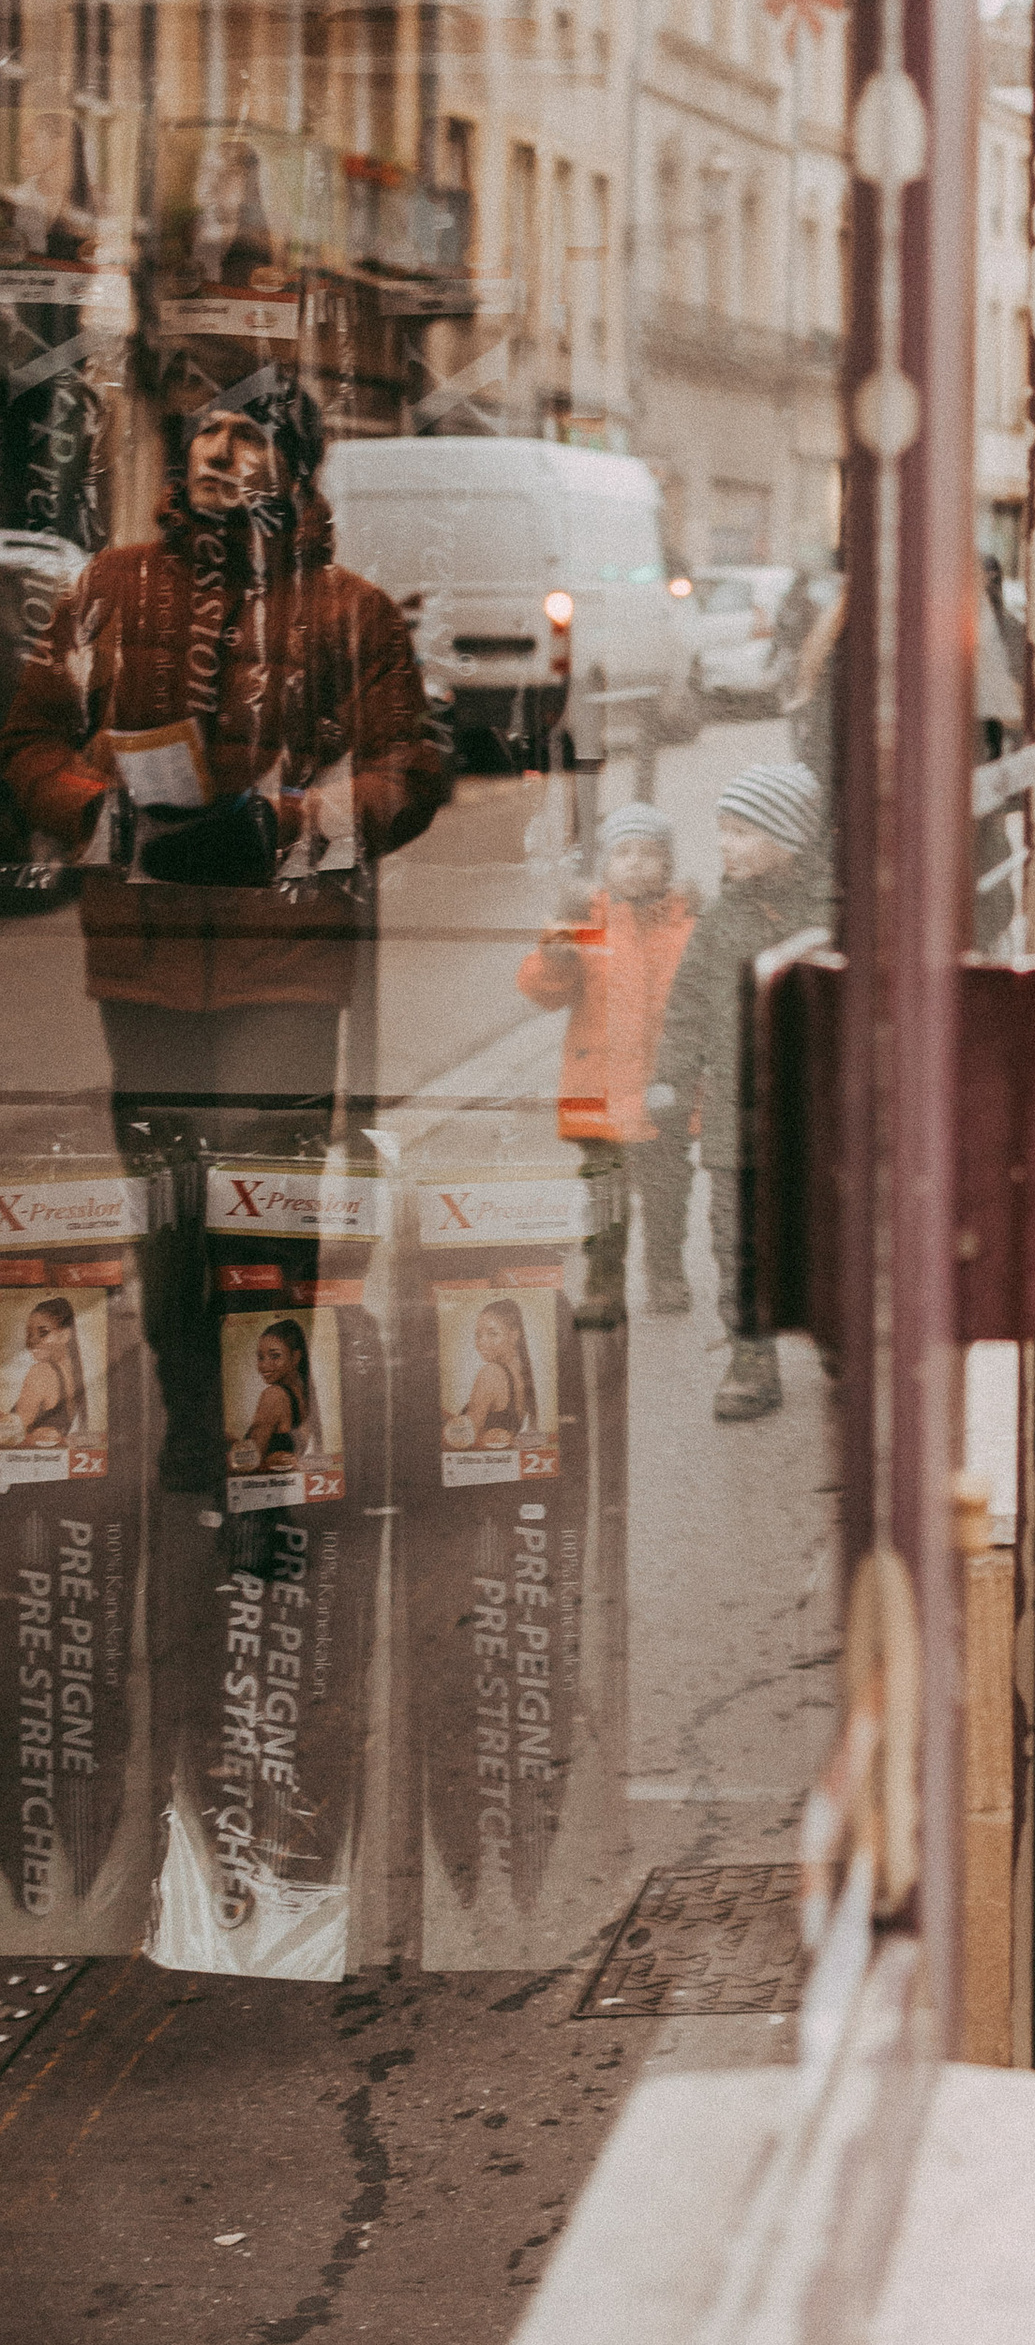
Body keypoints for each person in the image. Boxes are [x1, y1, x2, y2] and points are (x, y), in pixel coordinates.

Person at [0, 369, 442, 1499]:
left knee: (267, 1212)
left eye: (245, 439)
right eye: (204, 436)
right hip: (141, 963)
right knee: (167, 1208)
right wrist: (100, 815)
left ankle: (265, 1452)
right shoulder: (107, 587)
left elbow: (412, 771)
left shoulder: (352, 609)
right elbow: (30, 741)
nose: (214, 454)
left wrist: (290, 832)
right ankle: (195, 1419)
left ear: (293, 467)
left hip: (287, 963)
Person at [650, 760, 830, 1421]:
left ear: (791, 838)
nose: (726, 846)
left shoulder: (832, 912)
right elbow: (691, 1000)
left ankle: (838, 1344)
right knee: (739, 1241)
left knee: (823, 1234)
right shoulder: (723, 916)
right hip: (737, 1115)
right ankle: (751, 1356)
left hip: (817, 1115)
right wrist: (671, 1075)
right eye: (722, 832)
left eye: (743, 832)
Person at [517, 799, 700, 1317]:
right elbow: (544, 990)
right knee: (604, 1195)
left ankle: (665, 1272)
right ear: (605, 867)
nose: (638, 863)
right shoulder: (581, 923)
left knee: (667, 1188)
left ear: (668, 865)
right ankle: (603, 1281)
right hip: (597, 1086)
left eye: (650, 854)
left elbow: (705, 1002)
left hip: (665, 1087)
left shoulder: (686, 927)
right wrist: (553, 953)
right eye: (624, 853)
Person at [445, 1297, 539, 1452]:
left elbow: (462, 1439)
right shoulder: (522, 1376)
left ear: (514, 1335)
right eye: (478, 1335)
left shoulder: (491, 1373)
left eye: (492, 1333)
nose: (481, 1342)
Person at [230, 1316, 313, 1474]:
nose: (264, 1365)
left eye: (275, 1356)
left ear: (295, 1357)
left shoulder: (273, 1395)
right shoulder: (305, 1394)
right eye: (260, 1357)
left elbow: (246, 1463)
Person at [13, 1295, 88, 1446]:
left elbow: (8, 1434)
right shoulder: (74, 1375)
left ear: (65, 1335)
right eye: (29, 1334)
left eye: (43, 1332)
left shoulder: (41, 1372)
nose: (31, 1341)